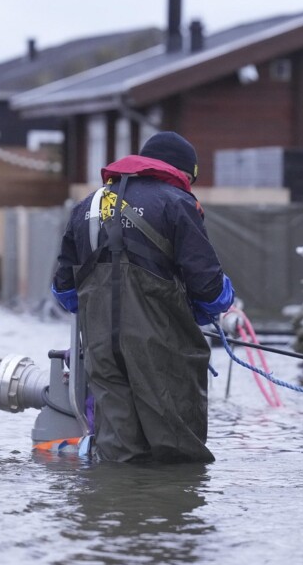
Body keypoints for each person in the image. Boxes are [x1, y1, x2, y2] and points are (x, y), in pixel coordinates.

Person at [51, 131, 235, 464]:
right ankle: (167, 512)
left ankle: (118, 510)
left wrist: (104, 311)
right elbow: (210, 290)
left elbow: (64, 291)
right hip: (161, 350)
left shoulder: (87, 206)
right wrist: (218, 302)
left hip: (102, 352)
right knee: (178, 454)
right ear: (181, 171)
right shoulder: (178, 203)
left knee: (118, 452)